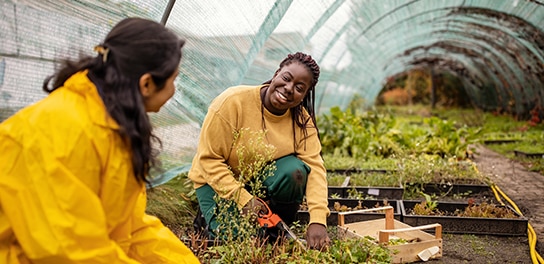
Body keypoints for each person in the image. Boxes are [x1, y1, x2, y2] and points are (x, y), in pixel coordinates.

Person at [0, 18, 199, 263]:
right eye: (173, 80)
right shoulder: (59, 133)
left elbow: (130, 228)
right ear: (146, 83)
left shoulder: (113, 127)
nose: (174, 90)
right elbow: (71, 252)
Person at [189, 52, 331, 250]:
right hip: (215, 181)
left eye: (299, 88)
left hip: (257, 179)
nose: (289, 89)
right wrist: (244, 199)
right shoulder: (232, 102)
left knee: (295, 171)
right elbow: (208, 159)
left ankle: (275, 232)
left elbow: (314, 168)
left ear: (305, 95)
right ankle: (207, 218)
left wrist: (318, 220)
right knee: (240, 242)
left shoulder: (301, 121)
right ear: (276, 74)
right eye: (286, 78)